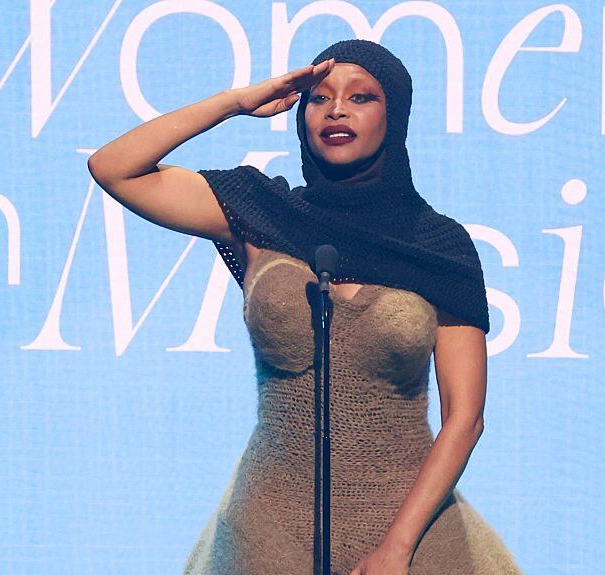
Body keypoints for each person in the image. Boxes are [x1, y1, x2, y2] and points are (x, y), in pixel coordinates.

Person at [88, 39, 522, 575]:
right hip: (269, 525)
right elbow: (114, 168)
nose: (336, 109)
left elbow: (466, 418)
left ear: (396, 116)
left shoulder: (438, 246)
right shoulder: (262, 211)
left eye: (360, 97)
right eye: (319, 98)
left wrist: (397, 547)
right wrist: (237, 102)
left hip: (410, 534)